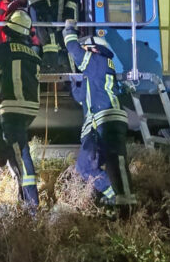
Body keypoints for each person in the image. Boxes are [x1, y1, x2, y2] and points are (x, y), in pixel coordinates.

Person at [63, 19, 136, 207]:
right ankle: (116, 197)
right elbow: (80, 97)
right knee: (85, 167)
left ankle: (125, 201)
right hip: (98, 124)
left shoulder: (99, 60)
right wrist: (73, 82)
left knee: (115, 161)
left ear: (94, 49)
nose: (84, 51)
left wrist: (69, 31)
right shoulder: (95, 71)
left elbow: (74, 50)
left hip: (106, 120)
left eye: (86, 48)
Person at [0, 9, 41, 207]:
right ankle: (19, 188)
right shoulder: (34, 54)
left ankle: (31, 204)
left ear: (10, 31)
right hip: (30, 109)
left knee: (21, 152)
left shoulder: (4, 49)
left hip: (11, 107)